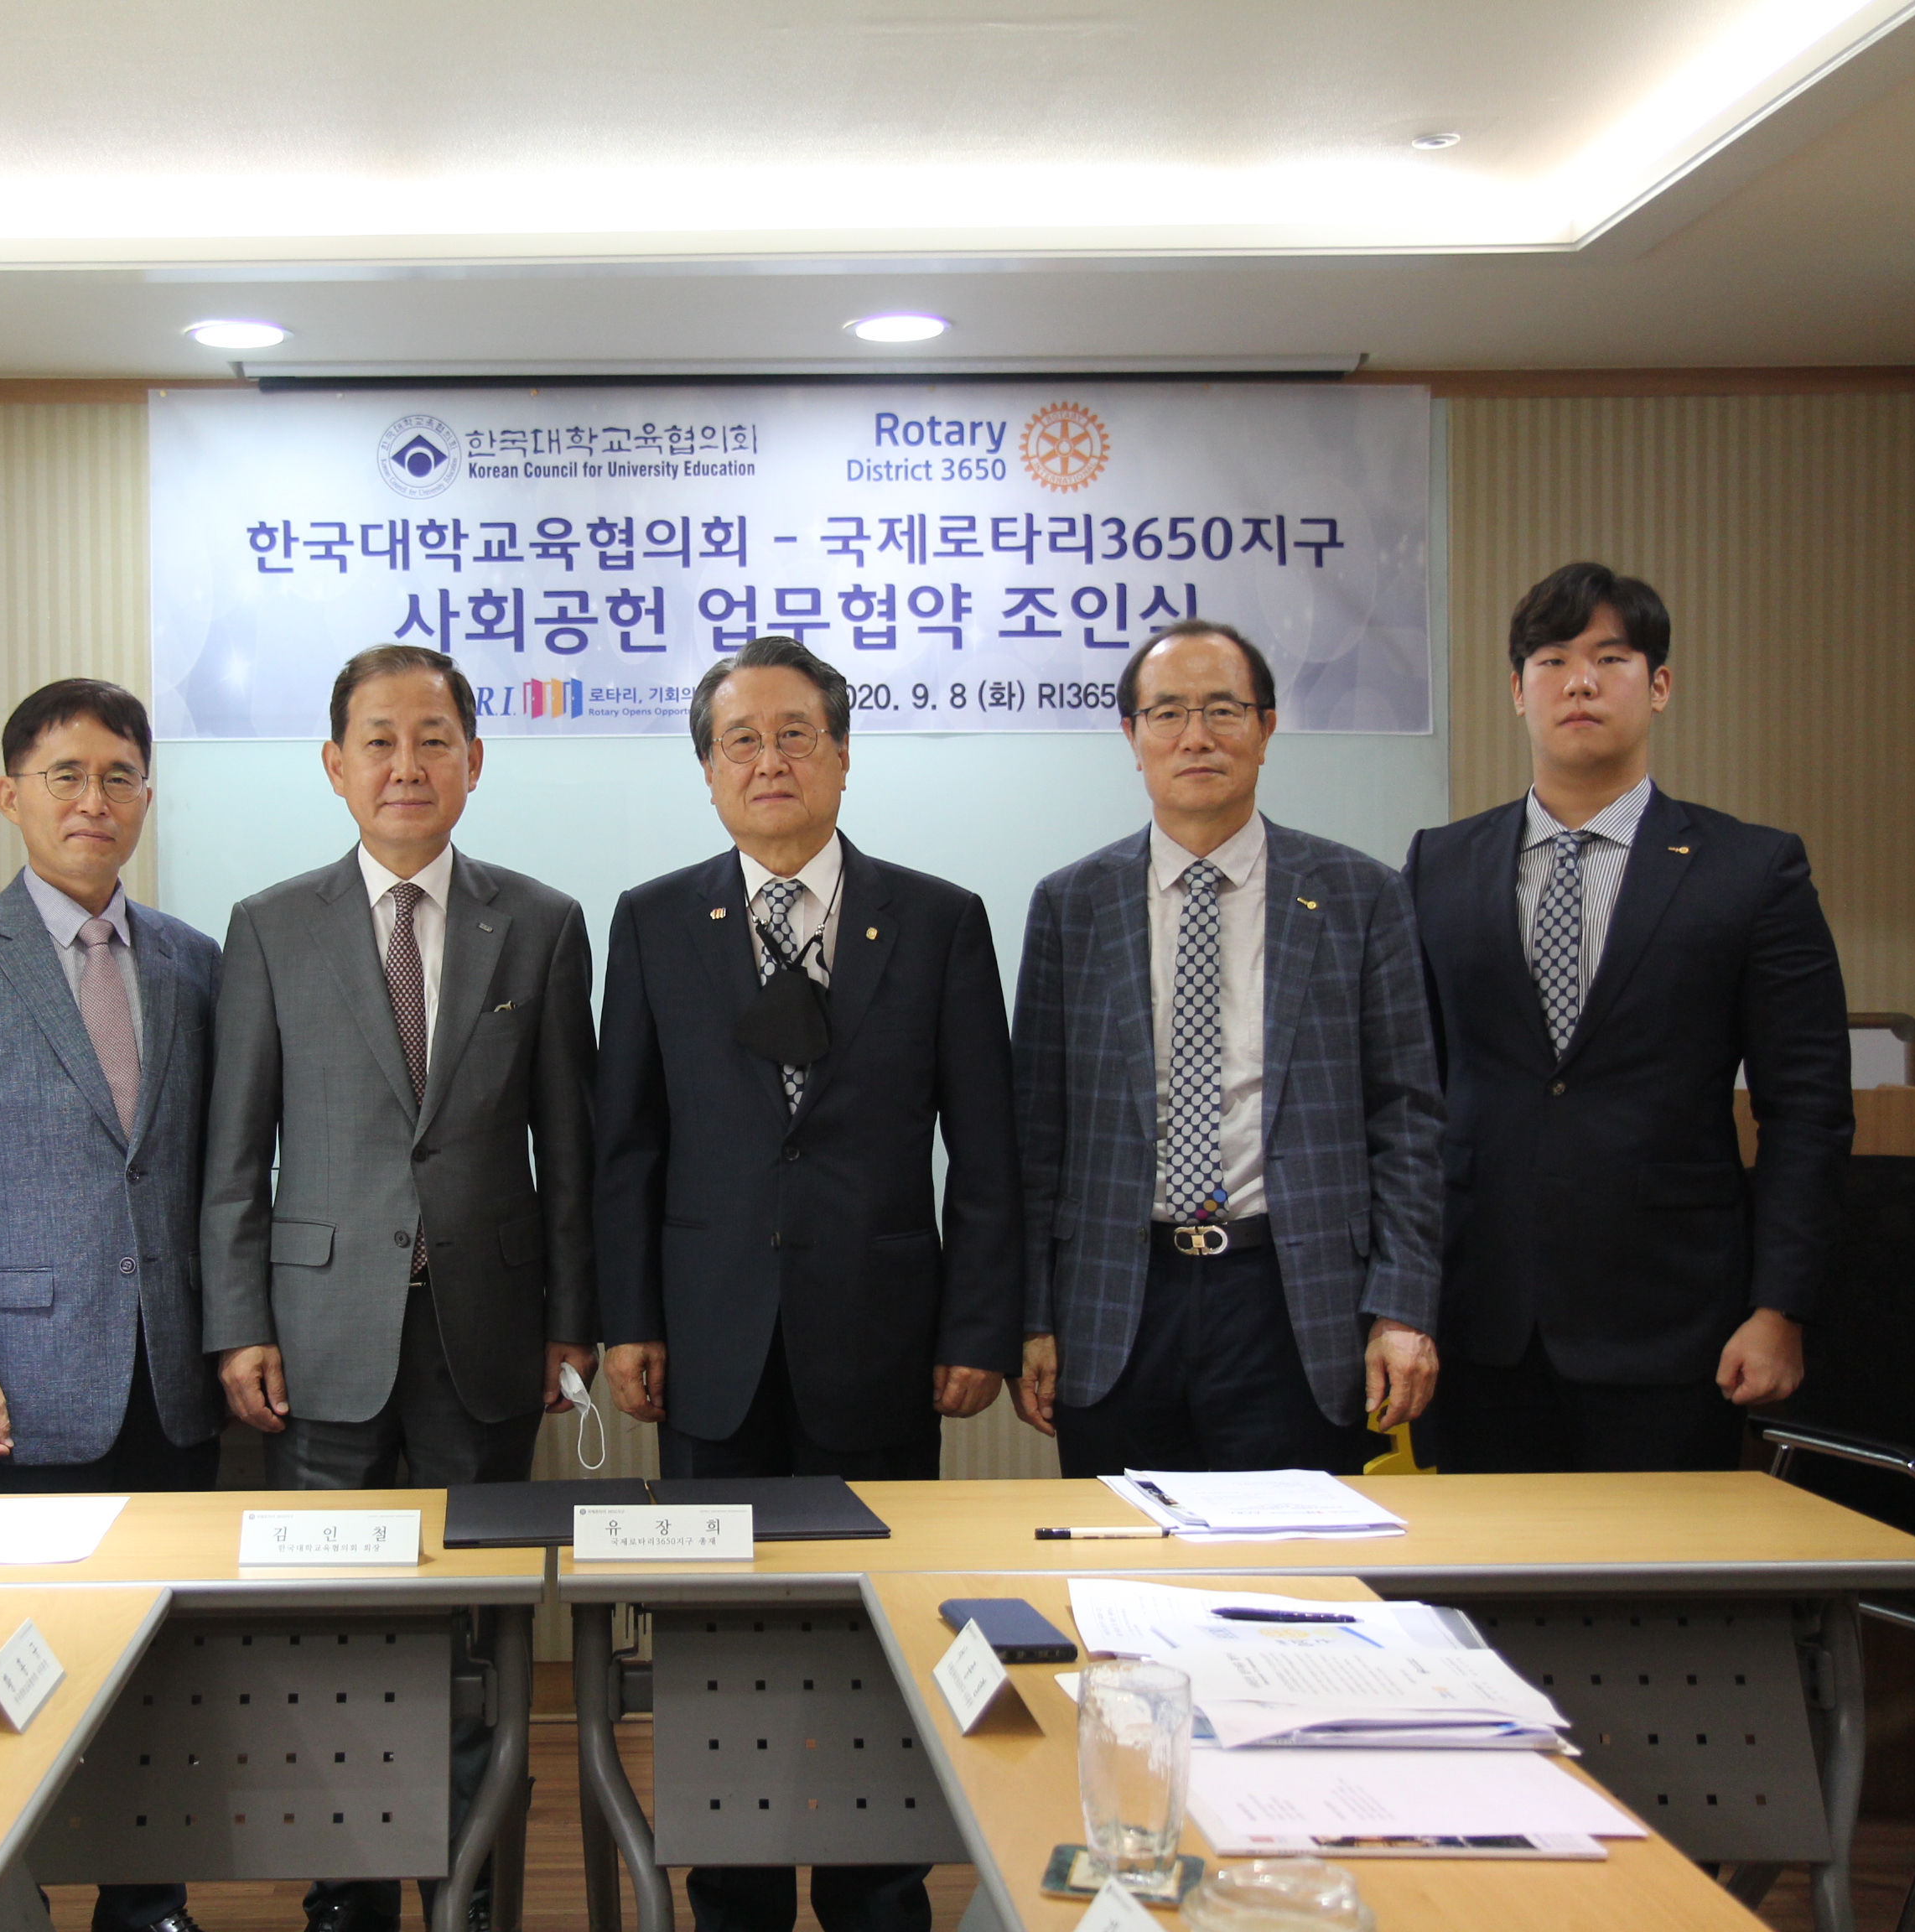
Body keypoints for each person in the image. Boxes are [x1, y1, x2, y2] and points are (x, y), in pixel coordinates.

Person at [595, 634, 1019, 1932]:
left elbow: (986, 1148)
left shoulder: (937, 919)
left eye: (796, 735)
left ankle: (877, 1891)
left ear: (841, 755)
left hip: (880, 1338)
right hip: (709, 1342)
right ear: (708, 770)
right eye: (742, 740)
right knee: (718, 1637)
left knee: (869, 1631)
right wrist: (630, 1321)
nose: (768, 760)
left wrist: (978, 1324)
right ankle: (732, 1896)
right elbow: (628, 1144)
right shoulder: (654, 920)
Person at [200, 642, 595, 1932]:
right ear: (335, 764)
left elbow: (569, 1152)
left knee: (486, 1636)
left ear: (474, 762)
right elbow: (235, 1155)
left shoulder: (540, 922)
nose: (406, 764)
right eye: (379, 740)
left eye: (434, 740)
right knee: (334, 1634)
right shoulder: (270, 925)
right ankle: (350, 1900)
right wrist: (239, 1324)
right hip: (319, 1338)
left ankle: (475, 1897)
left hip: (489, 1336)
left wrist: (573, 1324)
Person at [0, 677, 221, 1932]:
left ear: (147, 795)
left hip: (173, 1370)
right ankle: (6, 1897)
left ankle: (149, 1901)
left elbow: (217, 1171)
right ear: (9, 795)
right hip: (18, 1381)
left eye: (118, 776)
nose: (94, 801)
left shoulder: (193, 960)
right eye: (65, 777)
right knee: (11, 1663)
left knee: (163, 1656)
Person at [1404, 564, 1851, 1473]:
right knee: (1484, 1562)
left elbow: (1807, 1109)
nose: (1580, 682)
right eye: (1553, 660)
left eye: (1611, 659)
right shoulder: (1439, 865)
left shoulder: (1751, 871)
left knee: (1664, 1562)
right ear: (1517, 690)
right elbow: (1406, 1102)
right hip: (1477, 1316)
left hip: (1674, 1322)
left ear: (1659, 686)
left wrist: (1781, 1309)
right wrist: (1398, 1302)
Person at [1011, 621, 1443, 1478]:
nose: (1196, 736)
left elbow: (1408, 1120)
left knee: (1295, 1555)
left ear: (1267, 728)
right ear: (1132, 736)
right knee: (1127, 1549)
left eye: (1222, 710)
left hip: (1295, 1301)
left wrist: (1401, 1308)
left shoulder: (1361, 897)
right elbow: (1035, 1133)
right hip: (1117, 1303)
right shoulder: (1071, 905)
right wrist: (1031, 1317)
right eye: (1168, 713)